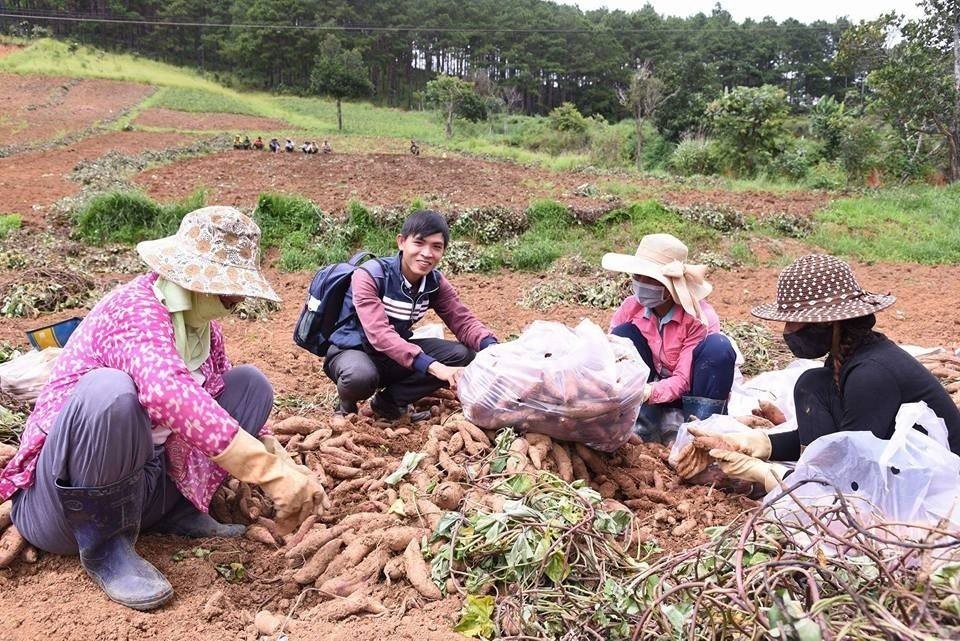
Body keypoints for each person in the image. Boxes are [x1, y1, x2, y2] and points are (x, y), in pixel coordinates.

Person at [0, 207, 325, 611]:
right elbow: (167, 391)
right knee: (111, 393)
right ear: (192, 277)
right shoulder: (133, 310)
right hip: (63, 509)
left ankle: (177, 509)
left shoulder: (200, 328)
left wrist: (285, 461)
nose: (240, 299)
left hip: (142, 489)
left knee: (248, 385)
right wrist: (268, 472)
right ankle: (107, 549)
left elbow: (214, 404)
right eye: (230, 286)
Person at [675, 254, 960, 491]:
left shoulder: (870, 374)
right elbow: (832, 441)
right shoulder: (844, 359)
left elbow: (852, 478)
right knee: (811, 384)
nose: (787, 331)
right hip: (894, 459)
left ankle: (804, 480)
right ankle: (803, 476)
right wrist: (751, 444)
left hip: (931, 484)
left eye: (794, 321)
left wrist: (762, 473)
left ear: (829, 323)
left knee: (812, 392)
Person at [322, 210, 498, 421]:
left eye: (436, 247)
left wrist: (495, 349)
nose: (426, 253)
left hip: (394, 355)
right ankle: (346, 405)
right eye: (419, 243)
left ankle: (388, 403)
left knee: (464, 355)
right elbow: (380, 334)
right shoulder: (370, 275)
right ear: (401, 242)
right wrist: (435, 367)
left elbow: (462, 320)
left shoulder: (434, 283)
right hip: (352, 351)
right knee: (359, 377)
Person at [601, 233, 737, 444]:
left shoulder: (698, 317)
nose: (638, 283)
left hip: (690, 391)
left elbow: (683, 380)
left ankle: (701, 434)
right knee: (622, 336)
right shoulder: (631, 307)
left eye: (646, 278)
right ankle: (641, 425)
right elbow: (610, 355)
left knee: (717, 348)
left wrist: (648, 391)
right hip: (646, 395)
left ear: (667, 286)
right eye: (636, 276)